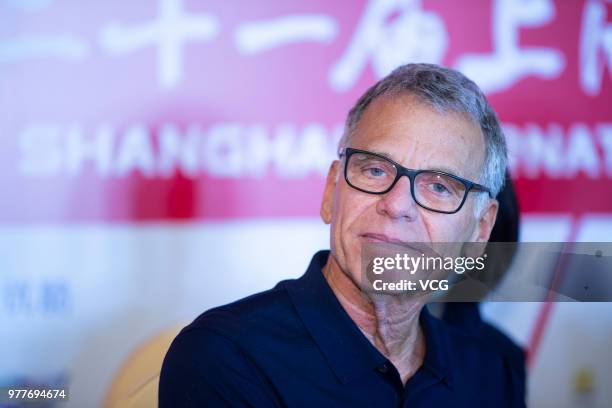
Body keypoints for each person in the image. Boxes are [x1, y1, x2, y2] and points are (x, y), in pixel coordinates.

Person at [159, 63, 526, 407]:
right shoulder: (226, 356)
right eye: (376, 171)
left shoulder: (492, 372)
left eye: (440, 187)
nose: (397, 205)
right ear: (332, 191)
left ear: (480, 231)